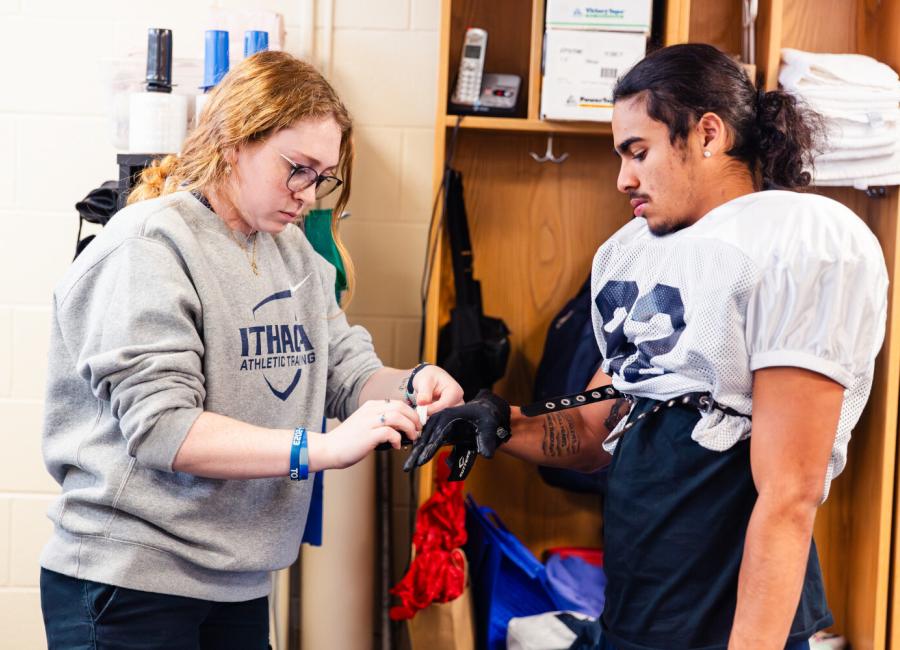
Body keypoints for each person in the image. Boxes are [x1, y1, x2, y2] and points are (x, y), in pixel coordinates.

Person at [406, 43, 888, 650]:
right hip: (638, 610)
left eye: (639, 151)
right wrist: (500, 421)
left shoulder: (797, 242)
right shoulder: (644, 251)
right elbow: (595, 428)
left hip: (725, 625)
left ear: (707, 134)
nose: (623, 178)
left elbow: (790, 494)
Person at [39, 50, 463, 649]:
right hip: (131, 582)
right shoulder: (149, 247)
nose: (309, 194)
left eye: (323, 177)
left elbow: (344, 369)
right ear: (234, 141)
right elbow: (164, 428)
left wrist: (413, 384)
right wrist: (320, 448)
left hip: (235, 582)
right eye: (297, 168)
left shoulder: (294, 255)